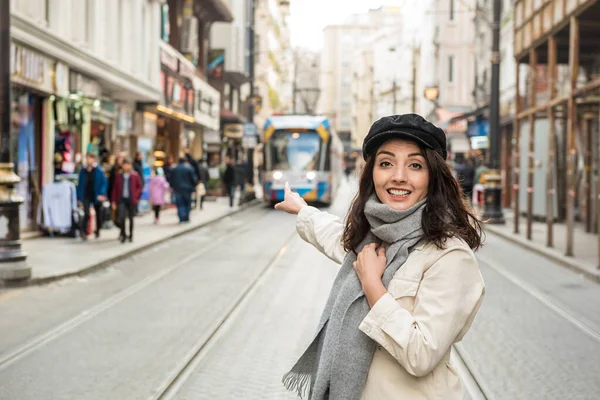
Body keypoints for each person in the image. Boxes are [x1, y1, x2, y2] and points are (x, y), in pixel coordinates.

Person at [275, 114, 485, 400]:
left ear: (433, 175)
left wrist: (373, 285)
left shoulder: (450, 255)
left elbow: (421, 354)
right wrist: (303, 210)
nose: (398, 176)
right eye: (386, 163)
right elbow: (335, 235)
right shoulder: (371, 239)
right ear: (372, 173)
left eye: (415, 165)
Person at [76, 152, 108, 240]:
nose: (88, 160)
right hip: (86, 195)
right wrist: (79, 197)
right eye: (87, 158)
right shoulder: (83, 170)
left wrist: (102, 194)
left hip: (96, 195)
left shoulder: (99, 170)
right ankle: (84, 232)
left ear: (93, 159)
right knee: (86, 213)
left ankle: (97, 231)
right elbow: (80, 184)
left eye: (89, 158)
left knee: (98, 214)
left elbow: (104, 183)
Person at [111, 157, 143, 243]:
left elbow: (139, 187)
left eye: (128, 165)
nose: (126, 167)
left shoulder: (134, 175)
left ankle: (131, 234)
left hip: (131, 199)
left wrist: (136, 196)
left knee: (131, 218)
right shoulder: (119, 176)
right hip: (121, 199)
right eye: (124, 165)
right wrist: (113, 201)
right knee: (121, 217)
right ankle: (123, 234)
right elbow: (115, 189)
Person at [169, 154, 198, 223]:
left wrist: (173, 186)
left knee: (180, 204)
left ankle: (181, 218)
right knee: (187, 204)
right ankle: (186, 218)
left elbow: (171, 179)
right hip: (187, 189)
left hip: (178, 189)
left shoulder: (174, 169)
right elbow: (194, 179)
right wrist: (193, 187)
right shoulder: (189, 168)